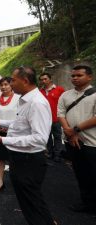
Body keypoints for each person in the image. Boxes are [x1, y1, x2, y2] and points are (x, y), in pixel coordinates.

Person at [0, 66, 56, 225]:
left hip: (28, 161)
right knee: (29, 203)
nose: (10, 83)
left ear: (25, 81)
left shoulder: (36, 103)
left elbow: (39, 139)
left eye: (13, 80)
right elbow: (20, 124)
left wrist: (3, 140)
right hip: (21, 158)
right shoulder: (26, 100)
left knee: (33, 203)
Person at [57, 65, 96, 215]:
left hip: (91, 143)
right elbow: (60, 113)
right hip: (71, 141)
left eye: (79, 75)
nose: (75, 78)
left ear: (89, 77)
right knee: (80, 173)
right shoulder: (65, 95)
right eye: (73, 76)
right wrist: (70, 133)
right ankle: (86, 203)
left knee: (94, 174)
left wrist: (74, 130)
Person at [0, 77, 20, 193]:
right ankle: (0, 181)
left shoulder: (18, 99)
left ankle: (17, 182)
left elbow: (21, 117)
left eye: (6, 84)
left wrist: (7, 125)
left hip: (14, 133)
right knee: (0, 158)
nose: (3, 87)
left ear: (11, 85)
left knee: (15, 158)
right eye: (1, 85)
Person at [39, 72, 65, 162]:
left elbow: (64, 104)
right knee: (47, 137)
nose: (43, 81)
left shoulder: (60, 90)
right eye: (42, 79)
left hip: (56, 119)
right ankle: (50, 153)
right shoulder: (40, 92)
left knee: (57, 137)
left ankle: (57, 154)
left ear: (50, 79)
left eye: (45, 79)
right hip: (44, 120)